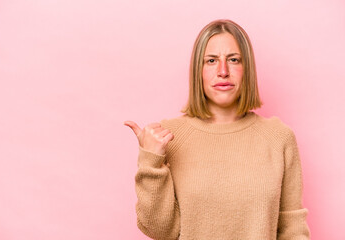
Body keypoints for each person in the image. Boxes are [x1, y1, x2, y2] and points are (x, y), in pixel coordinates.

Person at [124, 19, 310, 240]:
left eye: (233, 60)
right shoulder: (169, 136)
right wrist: (150, 161)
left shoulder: (279, 137)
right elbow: (159, 230)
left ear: (247, 69)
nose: (223, 71)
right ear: (198, 71)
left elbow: (292, 229)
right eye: (211, 60)